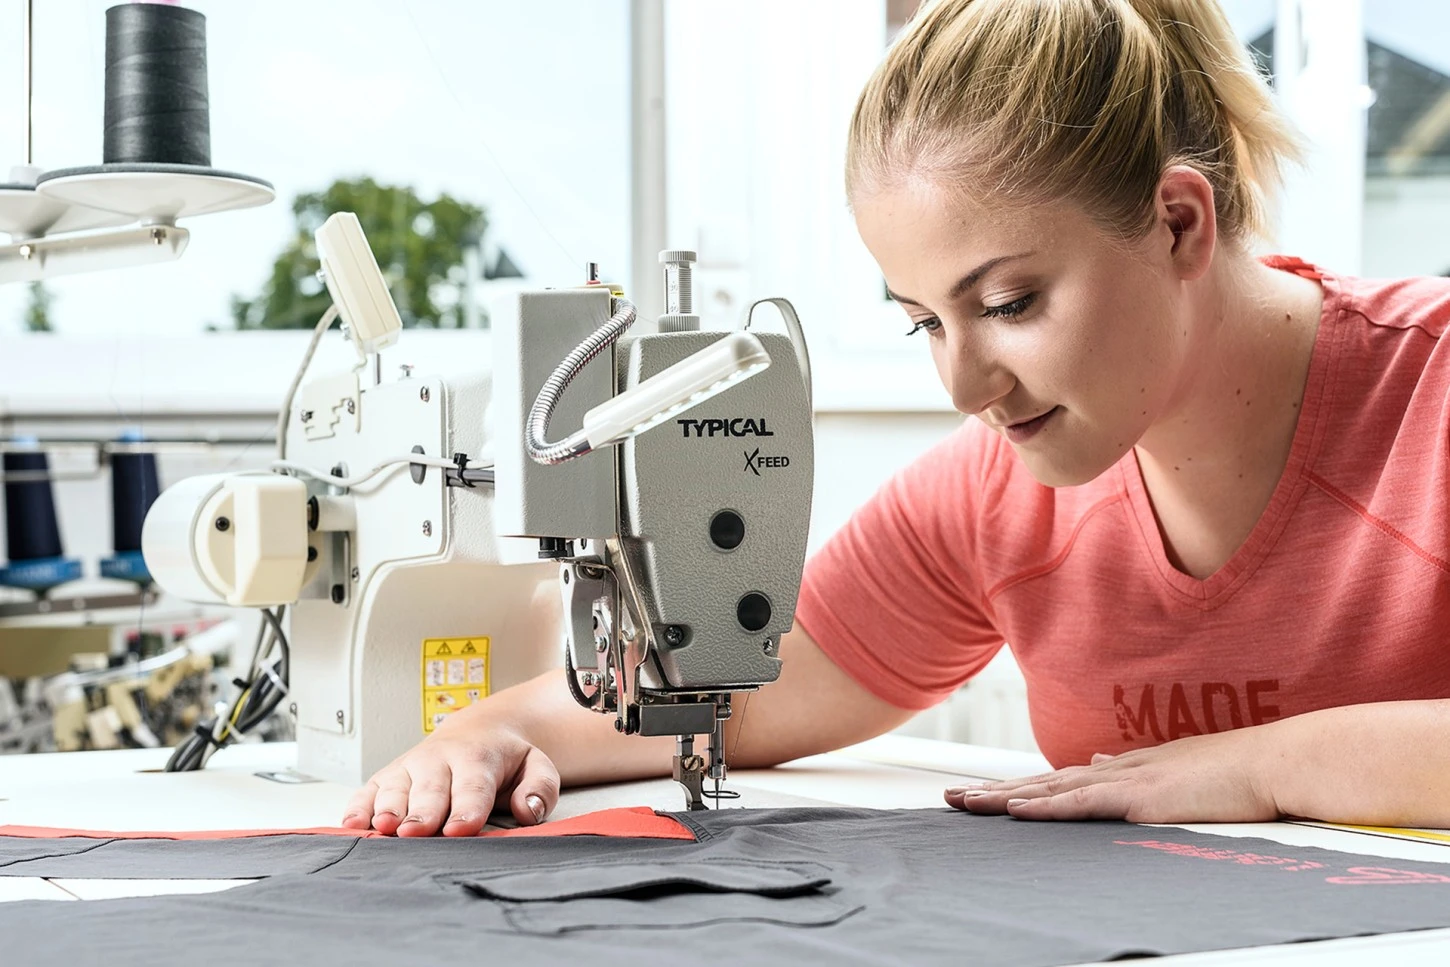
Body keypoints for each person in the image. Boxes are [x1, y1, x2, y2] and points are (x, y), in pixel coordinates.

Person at [343, 0, 1450, 836]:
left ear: (1175, 223)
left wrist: (1257, 767)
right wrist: (490, 732)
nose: (964, 388)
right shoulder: (993, 493)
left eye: (1008, 304)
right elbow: (740, 685)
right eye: (923, 320)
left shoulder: (1432, 396)